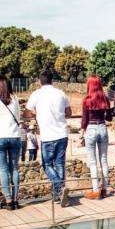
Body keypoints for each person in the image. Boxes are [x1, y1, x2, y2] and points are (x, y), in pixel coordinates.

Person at [24, 71, 72, 207]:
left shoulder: (36, 94)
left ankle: (59, 187)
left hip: (48, 136)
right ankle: (58, 196)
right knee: (59, 164)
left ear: (40, 81)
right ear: (52, 81)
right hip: (62, 134)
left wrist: (35, 113)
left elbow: (26, 113)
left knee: (46, 165)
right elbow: (69, 113)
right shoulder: (61, 93)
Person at [0, 75, 21, 211]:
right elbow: (18, 116)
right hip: (14, 136)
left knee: (3, 169)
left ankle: (8, 200)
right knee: (14, 168)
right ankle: (15, 199)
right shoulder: (15, 99)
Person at [80, 76, 112, 200]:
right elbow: (109, 118)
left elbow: (85, 119)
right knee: (103, 160)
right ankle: (104, 188)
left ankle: (95, 190)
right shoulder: (105, 99)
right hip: (103, 127)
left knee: (93, 162)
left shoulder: (86, 100)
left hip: (91, 128)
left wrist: (82, 133)